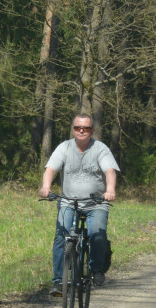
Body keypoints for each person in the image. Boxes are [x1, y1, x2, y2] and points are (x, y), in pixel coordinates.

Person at [40, 114, 120, 296]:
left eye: (86, 128)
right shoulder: (65, 147)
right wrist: (46, 187)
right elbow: (51, 168)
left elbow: (109, 170)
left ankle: (96, 269)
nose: (81, 131)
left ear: (92, 130)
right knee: (61, 236)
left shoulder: (100, 149)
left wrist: (110, 190)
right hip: (68, 200)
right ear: (73, 129)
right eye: (77, 127)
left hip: (96, 203)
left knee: (97, 235)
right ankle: (58, 281)